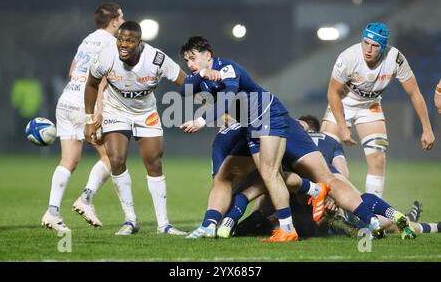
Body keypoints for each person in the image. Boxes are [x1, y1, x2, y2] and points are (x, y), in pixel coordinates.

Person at [178, 37, 386, 242]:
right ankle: (316, 191)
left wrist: (200, 121)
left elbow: (227, 99)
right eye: (186, 61)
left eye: (193, 58)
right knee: (270, 175)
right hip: (256, 124)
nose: (190, 64)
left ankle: (296, 225)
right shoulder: (204, 76)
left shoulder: (226, 69)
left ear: (208, 55)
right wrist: (202, 72)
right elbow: (183, 89)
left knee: (278, 175)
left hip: (270, 117)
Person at [221, 115, 416, 240]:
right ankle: (400, 219)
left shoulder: (288, 137)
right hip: (325, 191)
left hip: (302, 195)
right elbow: (342, 175)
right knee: (351, 202)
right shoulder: (329, 141)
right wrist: (334, 197)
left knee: (269, 186)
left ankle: (243, 223)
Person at [84, 21, 187, 235]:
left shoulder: (156, 59)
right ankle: (130, 220)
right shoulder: (106, 55)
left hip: (146, 113)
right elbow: (92, 84)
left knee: (154, 162)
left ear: (139, 42)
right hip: (115, 111)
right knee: (116, 159)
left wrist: (215, 107)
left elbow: (186, 82)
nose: (123, 44)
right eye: (120, 39)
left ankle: (164, 225)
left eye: (129, 41)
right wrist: (89, 119)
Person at [321, 22, 435, 198]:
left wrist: (427, 129)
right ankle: (324, 210)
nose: (368, 49)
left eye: (374, 45)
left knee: (378, 159)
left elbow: (414, 93)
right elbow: (332, 93)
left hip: (370, 106)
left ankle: (374, 216)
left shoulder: (395, 59)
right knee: (323, 156)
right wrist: (343, 127)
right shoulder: (348, 58)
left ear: (383, 47)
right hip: (342, 104)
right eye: (365, 42)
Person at [41, 3, 124, 233]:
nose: (123, 21)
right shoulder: (111, 44)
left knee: (68, 161)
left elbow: (72, 71)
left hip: (66, 100)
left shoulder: (88, 40)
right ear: (114, 21)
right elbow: (102, 79)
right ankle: (86, 199)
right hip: (84, 105)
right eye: (121, 17)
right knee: (112, 157)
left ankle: (53, 211)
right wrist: (96, 112)